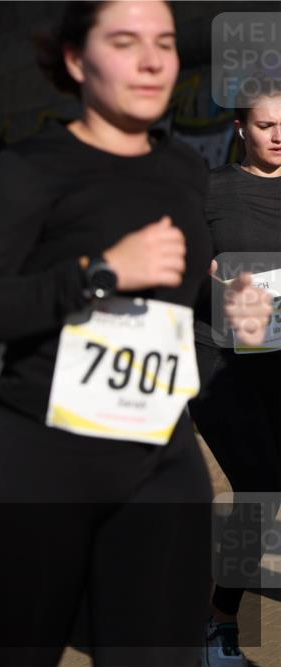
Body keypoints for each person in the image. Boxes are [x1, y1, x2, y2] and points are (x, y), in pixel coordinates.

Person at [0, 3, 273, 665]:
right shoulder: (32, 167)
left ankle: (218, 627)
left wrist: (230, 298)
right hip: (38, 458)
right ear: (75, 59)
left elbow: (175, 300)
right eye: (125, 42)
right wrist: (98, 274)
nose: (151, 60)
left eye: (165, 43)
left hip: (159, 459)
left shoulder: (181, 172)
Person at [188, 81, 281, 667]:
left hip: (278, 359)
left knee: (264, 492)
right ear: (242, 128)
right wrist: (212, 277)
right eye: (268, 125)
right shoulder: (211, 188)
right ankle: (219, 628)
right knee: (264, 485)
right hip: (218, 361)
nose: (280, 135)